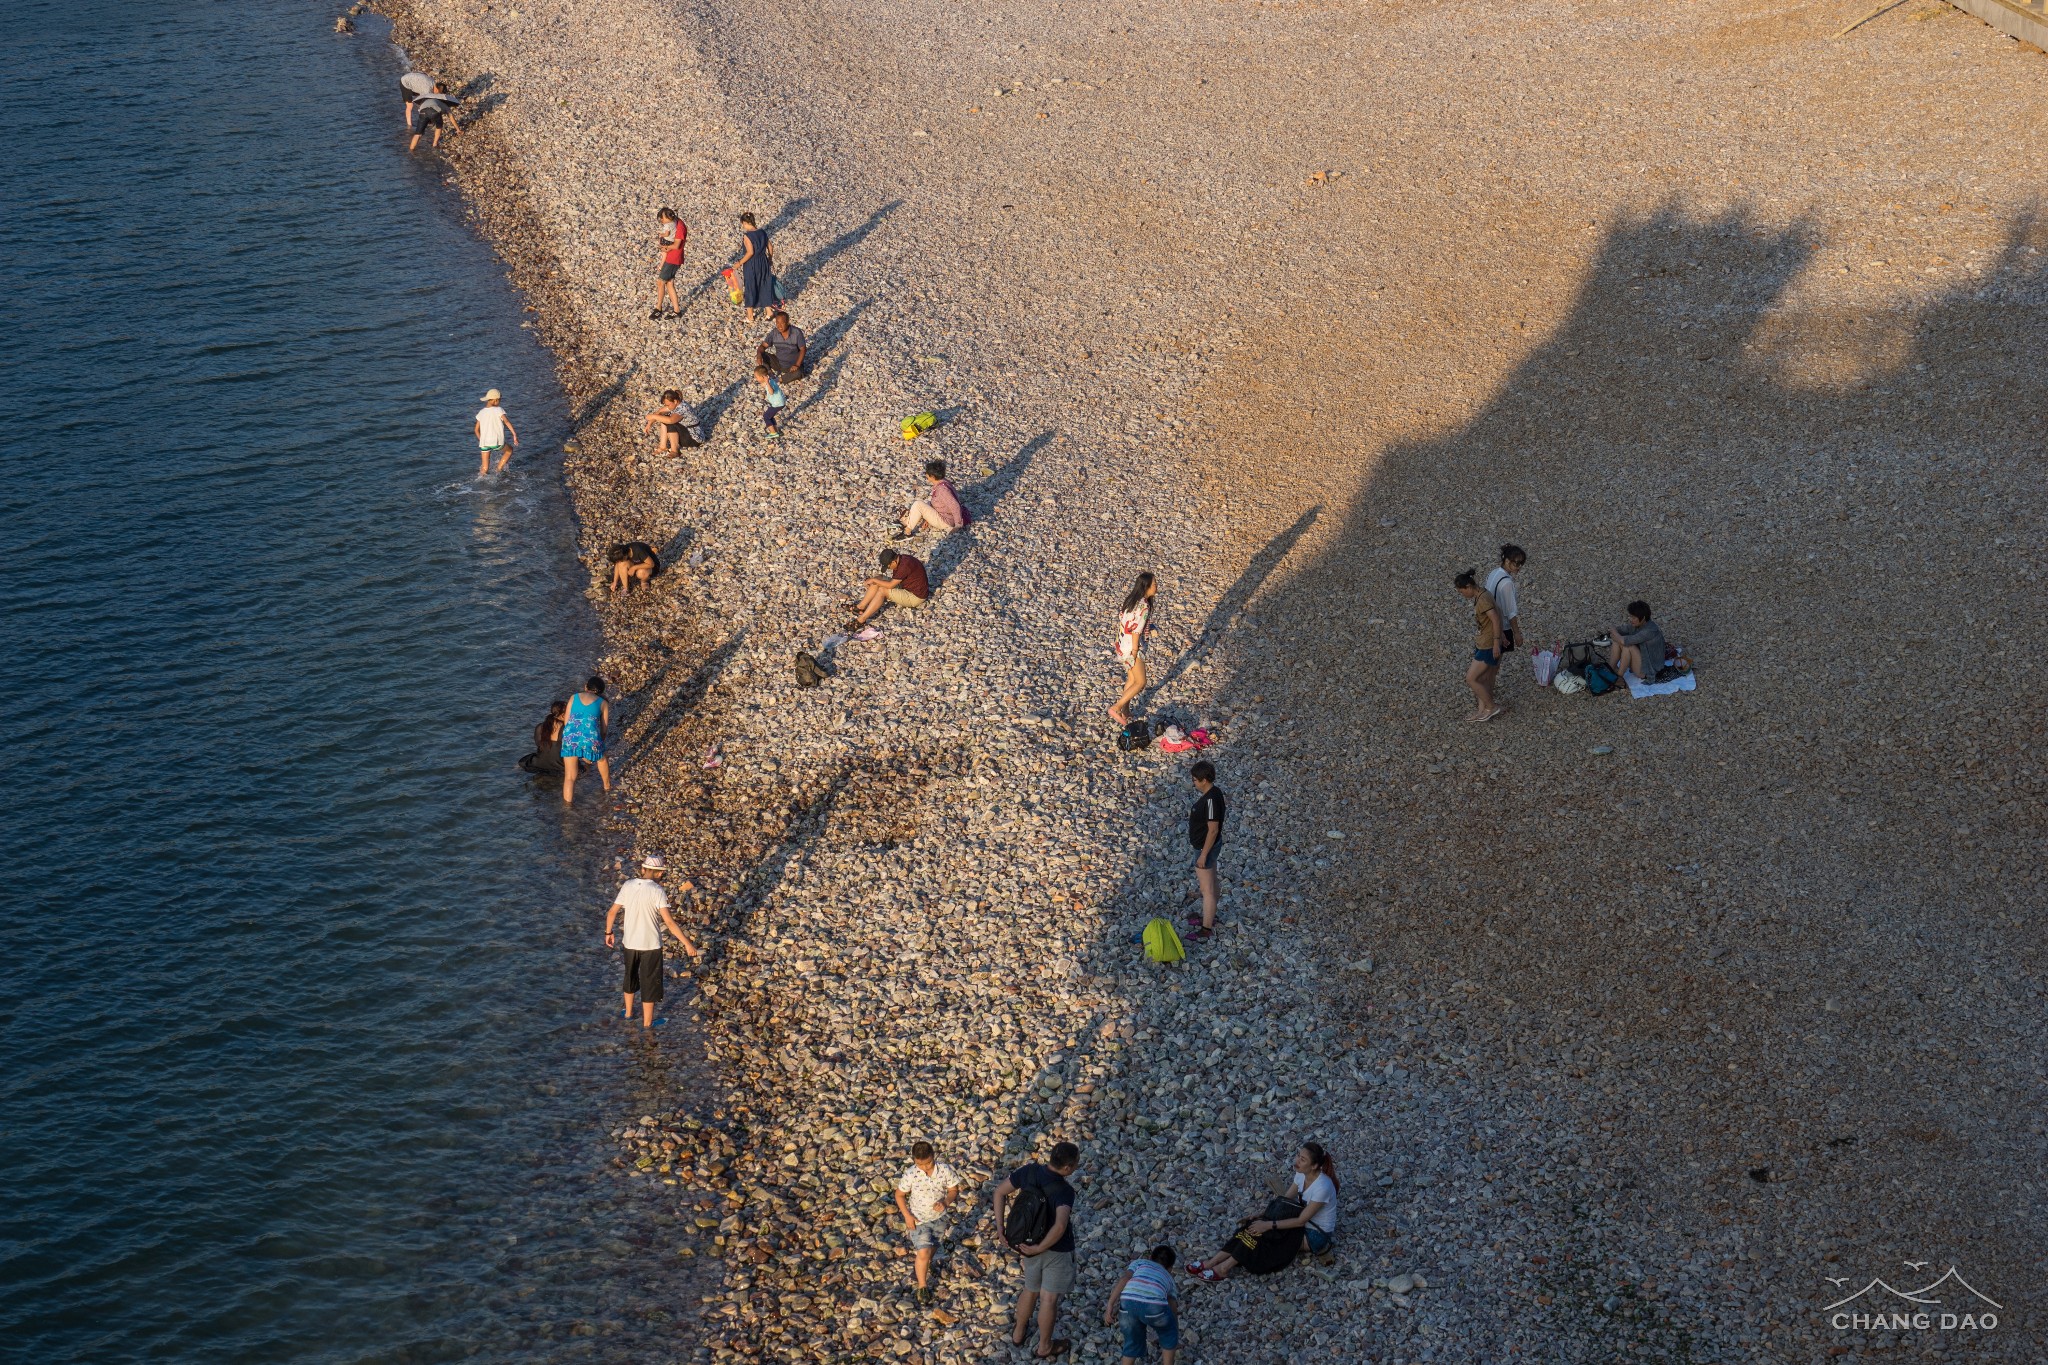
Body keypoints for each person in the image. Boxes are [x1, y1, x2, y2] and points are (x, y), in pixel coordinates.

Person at [1187, 1143, 1339, 1282]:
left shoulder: (1322, 1187)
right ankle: (1212, 1262)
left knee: (1264, 1233)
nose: (1297, 1161)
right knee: (1253, 1226)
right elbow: (1284, 1201)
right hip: (1301, 1222)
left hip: (1314, 1234)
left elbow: (1300, 1221)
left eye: (1303, 1159)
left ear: (1315, 1165)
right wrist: (1262, 1215)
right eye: (1298, 1155)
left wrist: (1267, 1225)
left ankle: (1224, 1268)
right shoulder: (1301, 1174)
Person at [993, 1142, 1081, 1360]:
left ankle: (1018, 1333)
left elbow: (999, 1192)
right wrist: (1040, 1248)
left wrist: (1000, 1228)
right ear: (1068, 1167)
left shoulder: (1029, 1171)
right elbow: (1060, 1226)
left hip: (1025, 1243)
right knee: (1049, 1299)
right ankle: (1044, 1346)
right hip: (1055, 1250)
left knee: (1030, 1289)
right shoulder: (1064, 1190)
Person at [602, 853, 701, 1030]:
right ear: (660, 873)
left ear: (643, 869)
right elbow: (669, 922)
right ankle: (647, 1024)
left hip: (630, 943)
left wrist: (608, 932)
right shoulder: (657, 891)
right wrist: (687, 943)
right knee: (649, 983)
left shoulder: (628, 885)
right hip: (650, 945)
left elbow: (611, 912)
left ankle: (628, 1014)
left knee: (630, 976)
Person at [895, 1141, 964, 1304]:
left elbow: (953, 1190)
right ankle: (922, 1286)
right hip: (918, 1220)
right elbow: (899, 1195)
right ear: (914, 1161)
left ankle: (924, 1266)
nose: (925, 1168)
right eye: (920, 1164)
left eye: (928, 1163)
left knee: (933, 1247)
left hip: (939, 1218)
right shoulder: (911, 1174)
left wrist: (946, 1202)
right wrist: (907, 1216)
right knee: (924, 1252)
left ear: (934, 1156)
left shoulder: (945, 1170)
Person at [1104, 1246, 1180, 1365]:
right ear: (1170, 1268)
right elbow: (1171, 1303)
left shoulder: (1140, 1263)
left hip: (1128, 1302)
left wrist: (1110, 1305)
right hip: (1155, 1307)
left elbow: (1125, 1279)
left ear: (1150, 1258)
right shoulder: (1168, 1277)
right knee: (1169, 1334)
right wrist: (1174, 1324)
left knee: (1132, 1340)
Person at [1454, 568, 1503, 723]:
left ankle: (1491, 706)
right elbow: (1498, 614)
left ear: (1469, 586)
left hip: (1488, 645)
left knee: (1471, 678)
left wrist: (1496, 642)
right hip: (1484, 642)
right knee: (1481, 677)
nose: (1463, 595)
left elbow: (1495, 619)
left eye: (1462, 592)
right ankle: (1482, 711)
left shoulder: (1483, 600)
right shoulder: (1484, 593)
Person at [1182, 760, 1225, 940]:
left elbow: (1213, 829)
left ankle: (1206, 928)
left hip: (1204, 848)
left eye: (1195, 780)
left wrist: (1203, 855)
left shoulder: (1210, 801)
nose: (1194, 783)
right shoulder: (1214, 793)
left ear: (1204, 780)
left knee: (1206, 889)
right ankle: (1210, 916)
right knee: (1212, 882)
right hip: (1208, 845)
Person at [1109, 573, 1156, 726]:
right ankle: (1117, 707)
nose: (1157, 587)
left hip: (1122, 644)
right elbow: (1136, 630)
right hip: (1132, 647)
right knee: (1141, 681)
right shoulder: (1144, 605)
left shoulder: (1131, 600)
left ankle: (1126, 711)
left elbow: (1126, 621)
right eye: (1154, 584)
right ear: (1146, 587)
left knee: (1131, 678)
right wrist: (1135, 652)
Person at [559, 675, 610, 803]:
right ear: (601, 691)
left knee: (570, 777)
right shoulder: (603, 703)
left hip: (570, 736)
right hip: (590, 737)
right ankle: (607, 787)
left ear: (585, 686)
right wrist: (600, 744)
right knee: (602, 759)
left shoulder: (574, 697)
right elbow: (604, 729)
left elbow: (566, 721)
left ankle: (567, 807)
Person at [847, 549, 929, 625]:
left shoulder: (904, 567)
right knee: (879, 578)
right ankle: (860, 607)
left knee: (882, 590)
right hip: (905, 586)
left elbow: (891, 585)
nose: (888, 569)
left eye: (888, 566)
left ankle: (861, 620)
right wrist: (875, 581)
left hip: (915, 596)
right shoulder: (902, 558)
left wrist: (874, 581)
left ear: (893, 562)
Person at [893, 459, 968, 540]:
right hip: (942, 513)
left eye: (927, 474)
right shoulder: (943, 482)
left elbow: (955, 506)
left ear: (932, 476)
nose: (926, 475)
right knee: (925, 504)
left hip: (945, 521)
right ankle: (906, 522)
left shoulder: (942, 490)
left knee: (918, 505)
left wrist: (957, 525)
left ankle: (907, 532)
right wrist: (928, 519)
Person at [1484, 544, 1526, 662]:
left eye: (1521, 564)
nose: (1519, 567)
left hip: (1488, 623)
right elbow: (1510, 612)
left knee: (1488, 662)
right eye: (1517, 563)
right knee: (1494, 666)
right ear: (1507, 561)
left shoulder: (1494, 573)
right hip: (1501, 627)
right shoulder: (1507, 583)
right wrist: (1516, 633)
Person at [1608, 599, 1668, 681]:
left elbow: (1624, 641)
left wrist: (1615, 634)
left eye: (1633, 617)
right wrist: (1615, 632)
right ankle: (1610, 669)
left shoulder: (1650, 631)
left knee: (1628, 646)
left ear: (1643, 618)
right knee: (1617, 641)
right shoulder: (1637, 625)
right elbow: (1618, 630)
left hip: (1648, 670)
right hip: (1641, 661)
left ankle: (1619, 676)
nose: (1630, 619)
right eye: (1630, 616)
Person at [736, 212, 776, 323]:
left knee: (750, 286)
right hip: (763, 261)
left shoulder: (747, 236)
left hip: (752, 264)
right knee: (764, 284)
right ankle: (769, 312)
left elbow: (750, 252)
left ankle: (750, 316)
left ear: (745, 222)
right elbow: (770, 247)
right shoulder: (762, 232)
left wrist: (739, 263)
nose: (743, 226)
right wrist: (770, 259)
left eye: (743, 224)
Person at [652, 208, 687, 320]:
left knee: (660, 282)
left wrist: (665, 247)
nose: (662, 221)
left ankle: (658, 308)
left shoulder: (680, 226)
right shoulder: (675, 222)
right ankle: (677, 311)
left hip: (673, 258)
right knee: (669, 283)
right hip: (673, 257)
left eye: (663, 218)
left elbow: (676, 245)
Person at [474, 389, 518, 478]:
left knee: (485, 467)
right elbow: (506, 422)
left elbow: (476, 430)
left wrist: (481, 440)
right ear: (495, 400)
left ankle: (480, 482)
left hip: (484, 443)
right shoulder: (499, 410)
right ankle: (498, 469)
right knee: (509, 450)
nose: (500, 402)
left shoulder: (481, 412)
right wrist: (514, 434)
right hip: (496, 442)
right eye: (500, 400)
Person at [754, 310, 808, 380]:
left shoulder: (796, 333)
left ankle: (781, 379)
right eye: (777, 323)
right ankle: (769, 372)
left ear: (788, 322)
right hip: (779, 363)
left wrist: (797, 364)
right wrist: (759, 355)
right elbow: (763, 346)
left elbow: (803, 349)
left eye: (782, 323)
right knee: (762, 354)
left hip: (792, 365)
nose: (779, 326)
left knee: (799, 372)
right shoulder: (774, 333)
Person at [518, 699, 566, 775]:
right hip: (560, 765)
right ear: (563, 715)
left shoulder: (540, 727)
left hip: (541, 762)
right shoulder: (567, 728)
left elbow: (539, 745)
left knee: (527, 759)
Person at [408, 81, 457, 151]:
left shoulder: (426, 99)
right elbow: (451, 118)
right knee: (439, 126)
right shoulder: (444, 104)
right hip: (435, 111)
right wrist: (458, 130)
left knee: (418, 134)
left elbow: (420, 108)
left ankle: (411, 150)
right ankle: (435, 144)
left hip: (423, 111)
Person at [752, 365, 787, 439]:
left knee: (766, 416)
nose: (756, 379)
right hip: (779, 403)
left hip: (778, 404)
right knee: (770, 416)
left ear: (762, 377)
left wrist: (767, 383)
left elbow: (771, 392)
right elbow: (764, 384)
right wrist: (766, 382)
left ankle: (773, 433)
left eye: (756, 377)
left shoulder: (769, 383)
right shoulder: (770, 380)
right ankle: (776, 431)